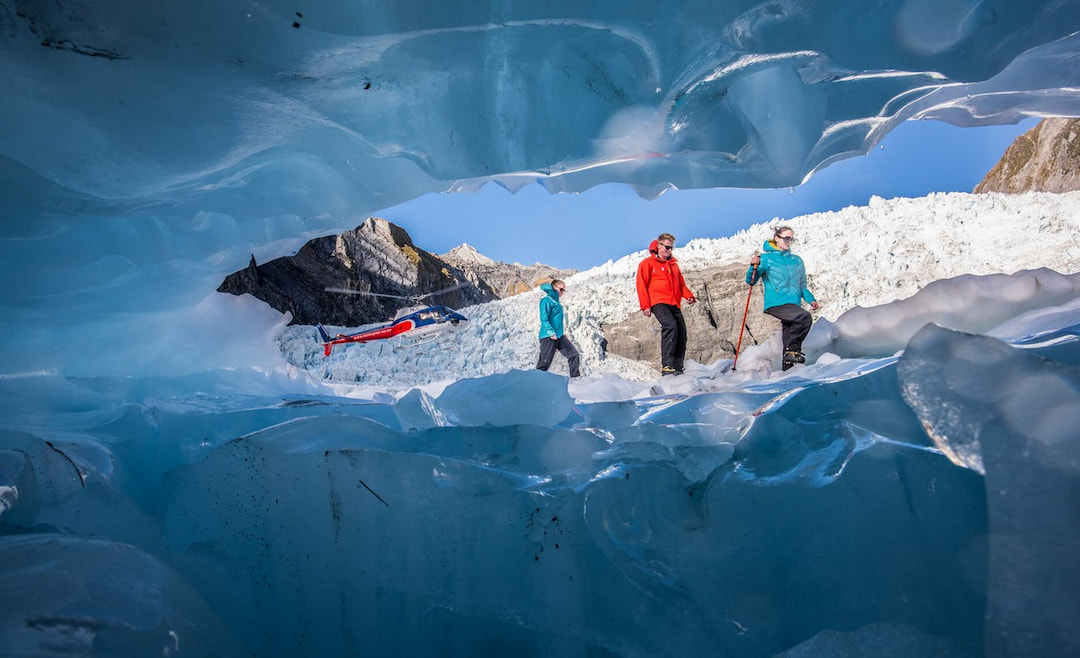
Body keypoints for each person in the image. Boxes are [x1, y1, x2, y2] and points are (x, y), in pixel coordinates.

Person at [747, 225, 820, 371]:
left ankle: (788, 371)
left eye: (791, 239)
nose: (789, 241)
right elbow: (751, 280)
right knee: (804, 317)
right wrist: (753, 266)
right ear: (776, 238)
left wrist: (810, 299)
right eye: (786, 238)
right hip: (776, 303)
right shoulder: (766, 258)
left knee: (789, 335)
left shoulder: (797, 261)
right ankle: (792, 352)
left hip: (793, 304)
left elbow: (802, 285)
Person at [636, 233, 696, 375]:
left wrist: (688, 296)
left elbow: (681, 284)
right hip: (658, 301)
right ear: (659, 246)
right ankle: (667, 366)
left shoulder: (673, 266)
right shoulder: (647, 264)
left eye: (671, 248)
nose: (669, 250)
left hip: (673, 302)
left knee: (681, 332)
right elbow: (641, 284)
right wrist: (645, 305)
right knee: (670, 325)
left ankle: (678, 368)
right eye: (667, 247)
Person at [536, 279, 581, 377]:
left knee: (574, 355)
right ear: (554, 288)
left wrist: (557, 339)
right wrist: (551, 333)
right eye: (561, 289)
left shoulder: (557, 303)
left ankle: (576, 380)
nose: (563, 292)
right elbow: (544, 318)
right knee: (544, 364)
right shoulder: (546, 301)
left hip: (559, 336)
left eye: (564, 290)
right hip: (548, 336)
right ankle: (535, 385)